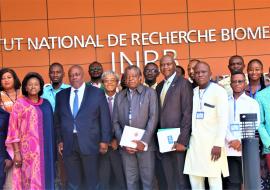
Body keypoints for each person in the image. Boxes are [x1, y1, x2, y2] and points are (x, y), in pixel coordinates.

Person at [54, 65, 111, 190]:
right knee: (73, 181)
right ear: (68, 77)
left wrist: (105, 141)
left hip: (90, 142)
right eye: (71, 75)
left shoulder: (97, 93)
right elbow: (57, 121)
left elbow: (105, 118)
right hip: (69, 143)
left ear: (83, 75)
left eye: (77, 74)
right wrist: (60, 140)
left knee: (92, 180)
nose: (74, 77)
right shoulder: (61, 95)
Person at [5, 72, 55, 190]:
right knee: (29, 181)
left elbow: (51, 128)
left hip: (46, 151)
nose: (33, 87)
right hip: (27, 153)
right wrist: (17, 152)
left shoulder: (47, 104)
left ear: (41, 87)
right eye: (30, 84)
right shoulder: (20, 104)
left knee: (47, 179)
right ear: (25, 87)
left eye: (36, 84)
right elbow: (13, 129)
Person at [184, 61, 229, 189]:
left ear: (210, 74)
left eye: (203, 72)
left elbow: (223, 119)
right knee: (195, 180)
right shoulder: (192, 92)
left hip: (212, 145)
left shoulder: (219, 91)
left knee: (214, 180)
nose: (200, 75)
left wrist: (218, 144)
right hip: (195, 145)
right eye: (197, 72)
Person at [113, 65, 158, 190]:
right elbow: (115, 122)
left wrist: (143, 142)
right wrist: (124, 142)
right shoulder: (119, 96)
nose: (130, 79)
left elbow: (153, 118)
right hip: (126, 148)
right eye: (128, 77)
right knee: (131, 182)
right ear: (125, 80)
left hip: (145, 146)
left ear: (140, 78)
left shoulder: (150, 93)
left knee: (147, 182)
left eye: (134, 76)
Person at [156, 55, 193, 190]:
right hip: (164, 140)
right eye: (163, 65)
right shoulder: (159, 86)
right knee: (169, 177)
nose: (165, 67)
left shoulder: (183, 83)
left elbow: (187, 113)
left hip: (178, 140)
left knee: (181, 179)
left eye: (168, 64)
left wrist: (183, 140)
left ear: (174, 66)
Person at [223, 71, 260, 190]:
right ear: (230, 84)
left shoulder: (252, 103)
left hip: (245, 148)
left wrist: (240, 141)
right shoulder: (224, 102)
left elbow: (255, 123)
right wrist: (231, 139)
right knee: (232, 183)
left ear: (245, 83)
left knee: (247, 182)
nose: (237, 84)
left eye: (240, 81)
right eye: (234, 81)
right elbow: (221, 123)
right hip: (228, 147)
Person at [99, 71, 126, 190]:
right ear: (102, 83)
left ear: (117, 82)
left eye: (112, 80)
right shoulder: (97, 99)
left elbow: (128, 121)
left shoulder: (124, 98)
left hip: (120, 147)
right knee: (103, 181)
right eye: (106, 80)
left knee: (121, 180)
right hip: (102, 147)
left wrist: (118, 140)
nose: (109, 83)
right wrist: (105, 140)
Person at [0, 68, 21, 189]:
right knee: (10, 173)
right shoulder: (0, 96)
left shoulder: (23, 92)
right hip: (6, 139)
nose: (6, 80)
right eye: (3, 78)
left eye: (9, 77)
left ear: (14, 78)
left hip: (25, 137)